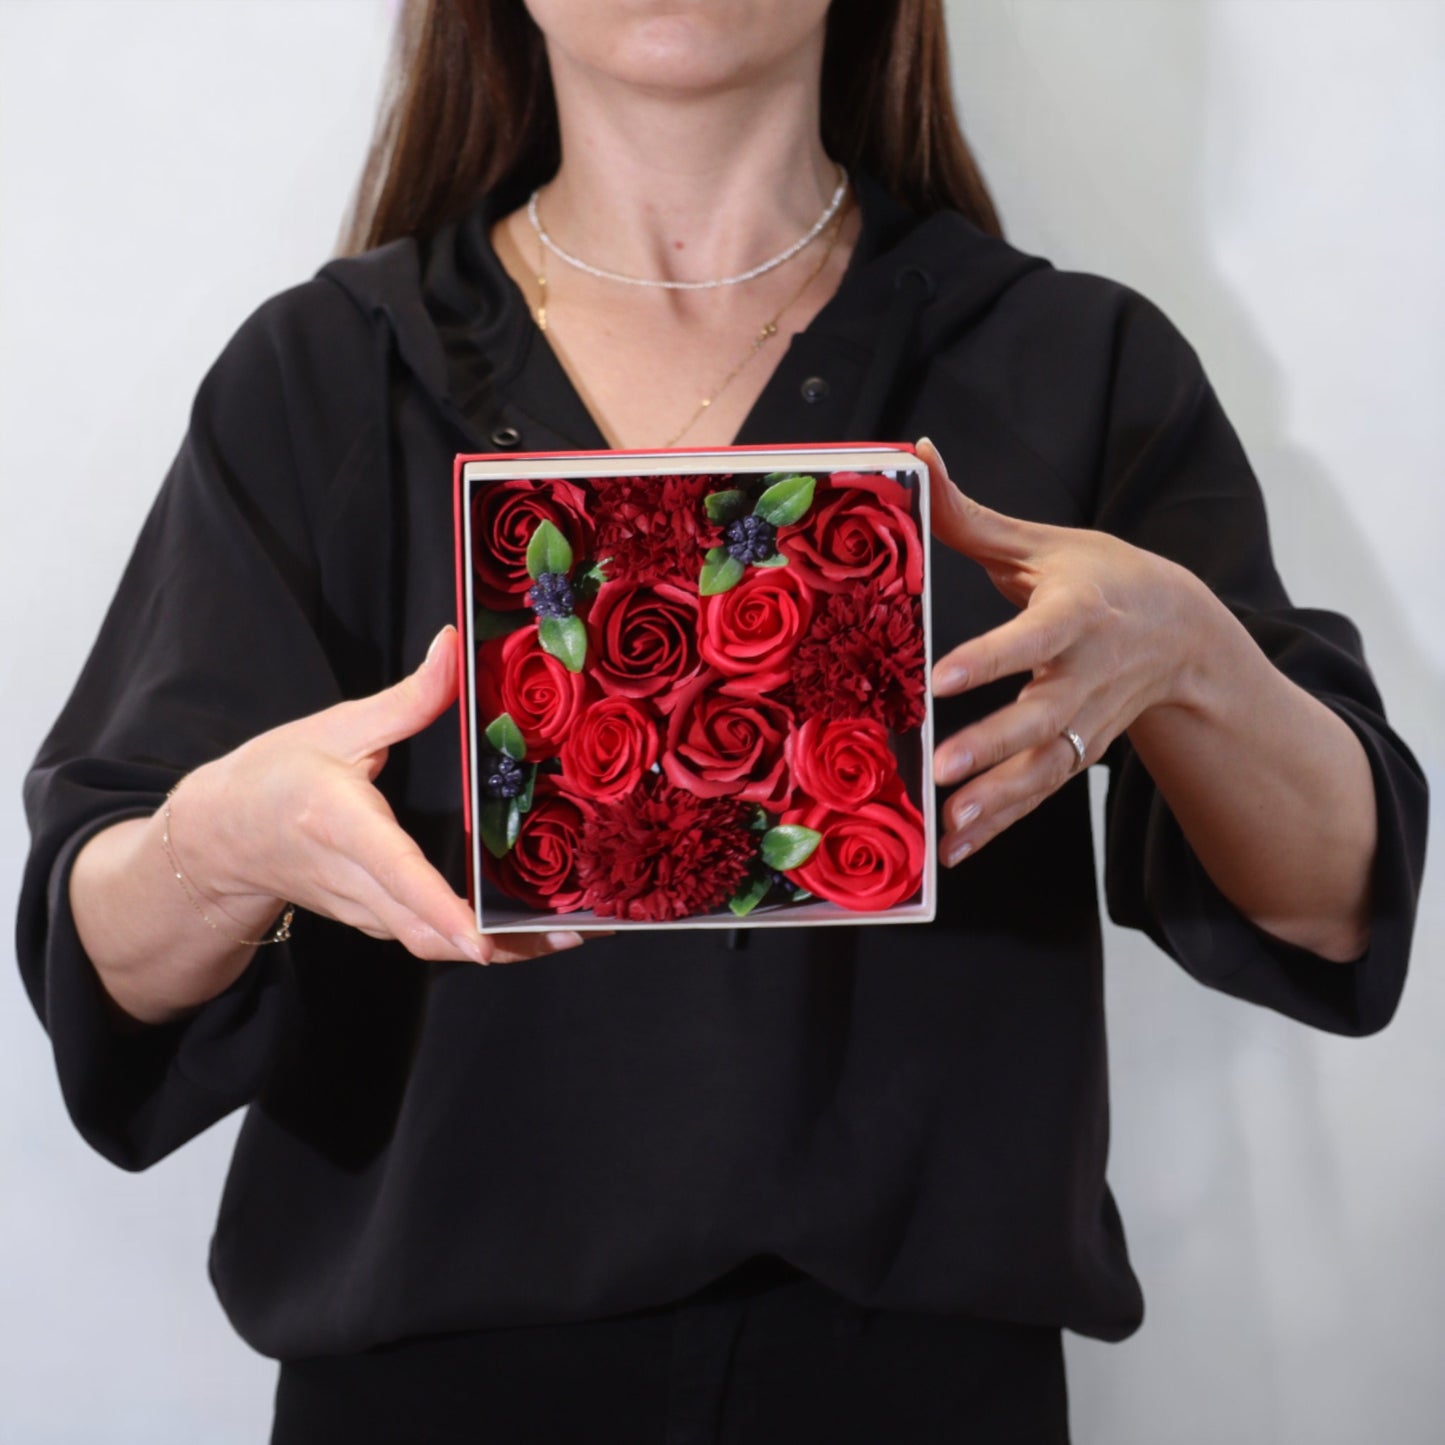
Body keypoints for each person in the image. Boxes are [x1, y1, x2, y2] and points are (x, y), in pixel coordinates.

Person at [15, 1, 1427, 1441]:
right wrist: (217, 844)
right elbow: (101, 957)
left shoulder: (1072, 359)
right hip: (427, 1393)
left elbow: (1331, 905)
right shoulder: (318, 379)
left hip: (919, 1395)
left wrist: (1193, 656)